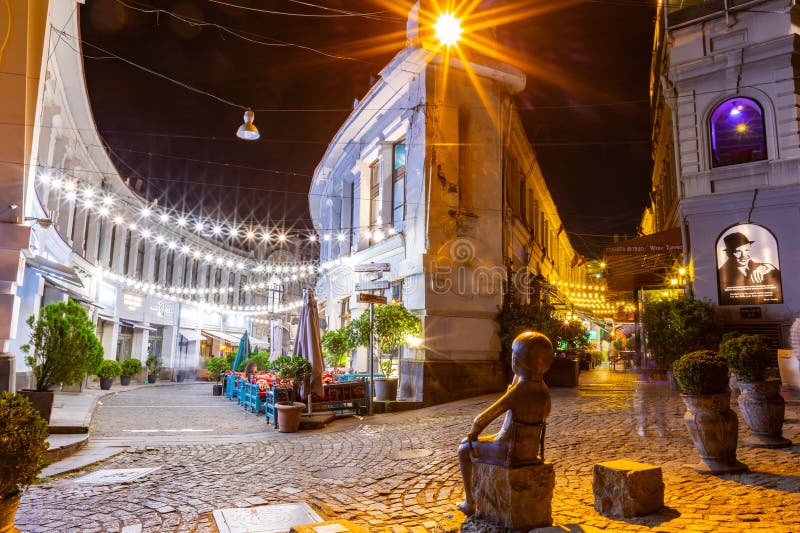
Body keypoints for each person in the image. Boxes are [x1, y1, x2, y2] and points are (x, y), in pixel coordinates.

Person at [457, 331, 553, 516]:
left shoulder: (517, 393)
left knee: (464, 449)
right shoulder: (543, 390)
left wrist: (474, 434)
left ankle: (470, 502)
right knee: (478, 443)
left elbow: (480, 420)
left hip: (508, 449)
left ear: (515, 362)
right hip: (530, 450)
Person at [718, 231, 780, 304]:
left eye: (747, 250)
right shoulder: (722, 274)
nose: (744, 255)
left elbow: (777, 278)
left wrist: (768, 266)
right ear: (728, 253)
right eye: (737, 252)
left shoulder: (760, 266)